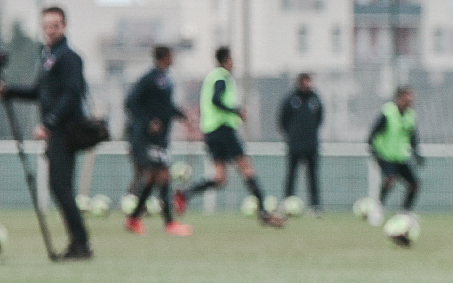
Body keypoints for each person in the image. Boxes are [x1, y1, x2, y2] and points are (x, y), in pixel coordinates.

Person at [0, 6, 94, 259]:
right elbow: (39, 92)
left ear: (64, 26)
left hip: (65, 131)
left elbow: (72, 94)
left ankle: (81, 243)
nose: (50, 30)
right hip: (57, 132)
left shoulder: (69, 57)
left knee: (61, 186)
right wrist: (9, 90)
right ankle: (79, 242)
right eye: (46, 26)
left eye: (55, 25)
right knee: (59, 187)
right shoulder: (47, 56)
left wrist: (49, 123)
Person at [180, 46, 285, 227]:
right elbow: (216, 99)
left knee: (220, 178)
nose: (234, 62)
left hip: (211, 132)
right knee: (247, 168)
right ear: (227, 60)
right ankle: (263, 211)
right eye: (232, 59)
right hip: (223, 129)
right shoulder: (222, 77)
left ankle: (185, 193)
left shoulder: (212, 76)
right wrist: (237, 111)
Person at [122, 45, 193, 237]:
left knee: (153, 179)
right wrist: (148, 122)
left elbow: (166, 107)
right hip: (147, 138)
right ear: (164, 57)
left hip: (161, 138)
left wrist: (183, 116)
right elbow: (130, 102)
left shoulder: (166, 79)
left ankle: (133, 219)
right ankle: (169, 222)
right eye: (171, 55)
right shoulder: (149, 78)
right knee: (163, 175)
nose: (173, 59)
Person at [369, 86, 422, 214]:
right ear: (399, 98)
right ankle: (378, 207)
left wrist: (417, 154)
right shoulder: (388, 112)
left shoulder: (410, 115)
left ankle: (405, 212)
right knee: (390, 179)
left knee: (414, 184)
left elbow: (412, 137)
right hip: (386, 156)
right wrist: (375, 154)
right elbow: (373, 134)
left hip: (401, 157)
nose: (410, 100)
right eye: (407, 97)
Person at [278, 72, 324, 214]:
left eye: (309, 81)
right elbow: (283, 120)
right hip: (295, 145)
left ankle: (315, 205)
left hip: (311, 144)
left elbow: (319, 119)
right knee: (291, 175)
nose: (308, 84)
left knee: (313, 176)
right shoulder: (290, 99)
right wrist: (292, 135)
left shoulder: (315, 99)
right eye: (305, 81)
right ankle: (287, 203)